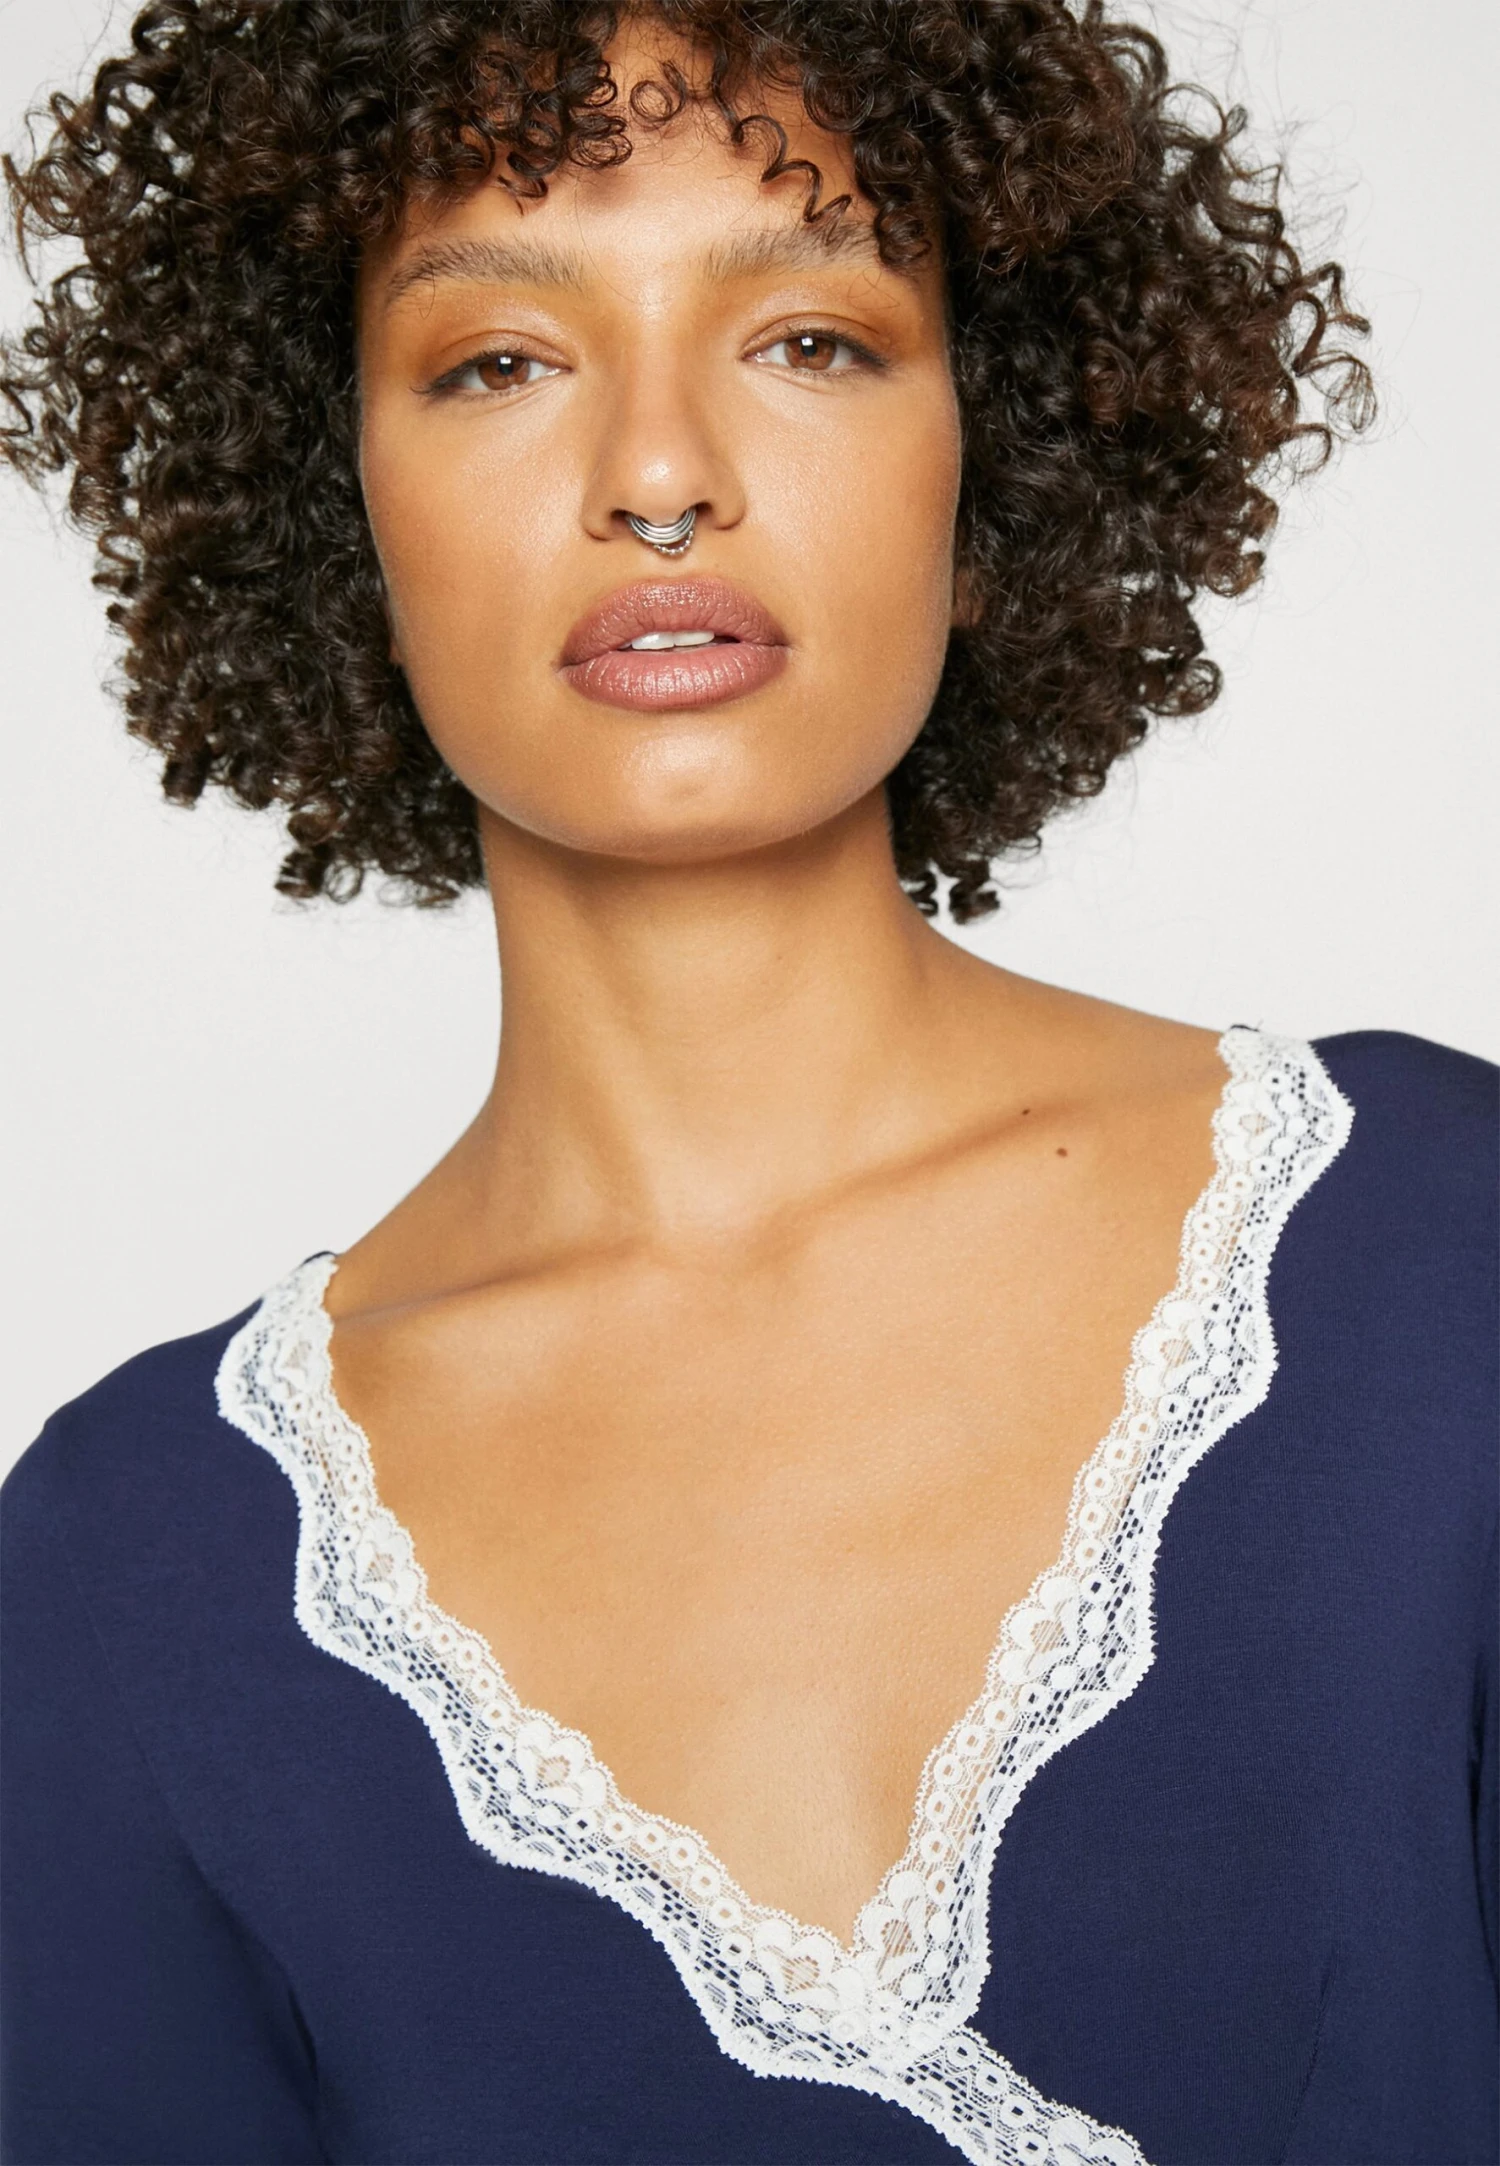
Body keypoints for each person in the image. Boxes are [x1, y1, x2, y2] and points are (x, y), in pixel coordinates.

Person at [1, 3, 1493, 2162]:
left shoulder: (1442, 1263)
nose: (659, 471)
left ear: (994, 450)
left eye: (811, 338)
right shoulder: (134, 1574)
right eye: (497, 362)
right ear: (337, 503)